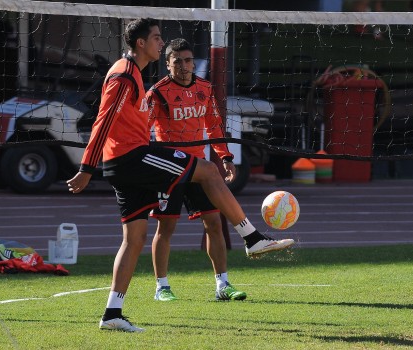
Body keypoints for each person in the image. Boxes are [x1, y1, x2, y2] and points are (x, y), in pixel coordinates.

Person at [66, 19, 294, 333]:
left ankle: (112, 314)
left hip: (129, 160)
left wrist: (224, 153)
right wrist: (86, 168)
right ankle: (252, 239)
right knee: (208, 173)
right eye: (158, 38)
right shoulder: (124, 75)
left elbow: (206, 125)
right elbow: (102, 121)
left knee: (134, 240)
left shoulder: (139, 74)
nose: (162, 43)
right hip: (134, 157)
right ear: (142, 43)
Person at [146, 38, 247, 302]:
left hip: (200, 169)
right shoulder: (157, 93)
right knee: (165, 228)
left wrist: (225, 156)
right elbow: (141, 130)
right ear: (167, 64)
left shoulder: (205, 88)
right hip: (170, 169)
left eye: (187, 60)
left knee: (214, 222)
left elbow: (213, 125)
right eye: (177, 61)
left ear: (194, 62)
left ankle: (223, 285)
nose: (183, 66)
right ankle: (162, 287)